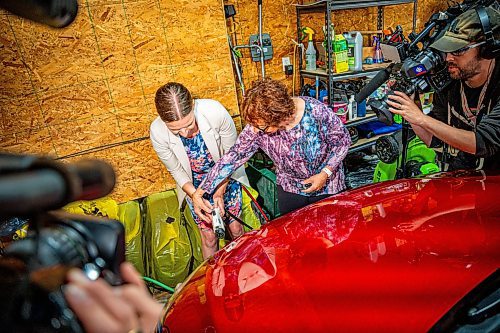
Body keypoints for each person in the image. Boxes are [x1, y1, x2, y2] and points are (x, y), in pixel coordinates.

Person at [192, 78, 351, 221]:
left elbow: (343, 141)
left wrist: (325, 173)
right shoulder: (257, 127)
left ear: (279, 117)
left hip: (328, 185)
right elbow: (232, 157)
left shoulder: (316, 111)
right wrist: (199, 192)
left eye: (261, 127)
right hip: (290, 188)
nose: (255, 131)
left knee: (330, 237)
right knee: (295, 238)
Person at [387, 7, 500, 171]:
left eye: (458, 50)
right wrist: (411, 112)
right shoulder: (450, 81)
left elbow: (483, 142)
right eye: (447, 50)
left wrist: (421, 118)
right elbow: (435, 140)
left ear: (487, 49)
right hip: (460, 182)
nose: (448, 57)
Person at [149, 82, 251, 259]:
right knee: (209, 237)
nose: (184, 133)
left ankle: (243, 270)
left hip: (226, 177)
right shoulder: (157, 132)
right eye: (175, 129)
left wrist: (220, 190)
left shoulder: (215, 112)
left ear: (193, 106)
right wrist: (195, 195)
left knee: (236, 228)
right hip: (195, 185)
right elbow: (177, 171)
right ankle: (213, 279)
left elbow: (232, 157)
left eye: (188, 124)